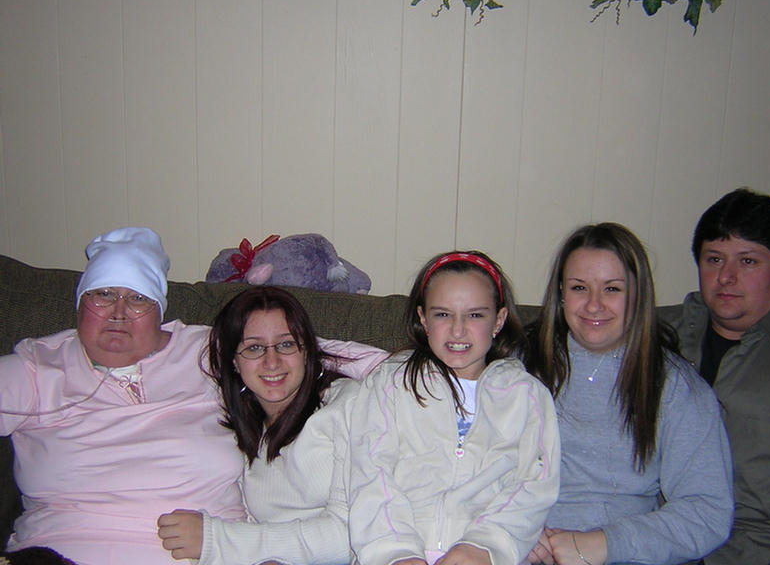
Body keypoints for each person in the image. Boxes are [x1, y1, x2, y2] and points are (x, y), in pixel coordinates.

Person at [0, 227, 246, 564]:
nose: (118, 312)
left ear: (159, 312)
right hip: (58, 551)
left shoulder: (208, 352)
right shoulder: (39, 366)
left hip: (209, 551)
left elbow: (303, 358)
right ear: (80, 304)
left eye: (138, 298)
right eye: (102, 294)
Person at [526, 222, 734, 565]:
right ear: (561, 294)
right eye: (579, 288)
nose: (594, 305)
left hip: (624, 555)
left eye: (612, 289)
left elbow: (708, 512)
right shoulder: (518, 368)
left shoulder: (675, 386)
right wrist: (512, 529)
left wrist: (603, 544)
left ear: (638, 296)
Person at [348, 251, 560, 565]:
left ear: (498, 320)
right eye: (443, 314)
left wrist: (485, 546)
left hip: (485, 555)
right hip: (394, 552)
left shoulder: (526, 396)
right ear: (423, 319)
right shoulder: (391, 382)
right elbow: (370, 473)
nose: (458, 330)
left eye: (475, 315)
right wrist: (395, 554)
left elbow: (535, 486)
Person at [157, 286, 388, 564]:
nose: (272, 362)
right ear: (234, 361)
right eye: (254, 348)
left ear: (306, 351)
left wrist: (217, 540)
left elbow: (351, 535)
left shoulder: (348, 404)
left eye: (286, 344)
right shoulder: (237, 434)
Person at [661, 188, 770, 565]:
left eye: (748, 261)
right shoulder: (661, 334)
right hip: (661, 539)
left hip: (766, 548)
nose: (726, 277)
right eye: (714, 259)